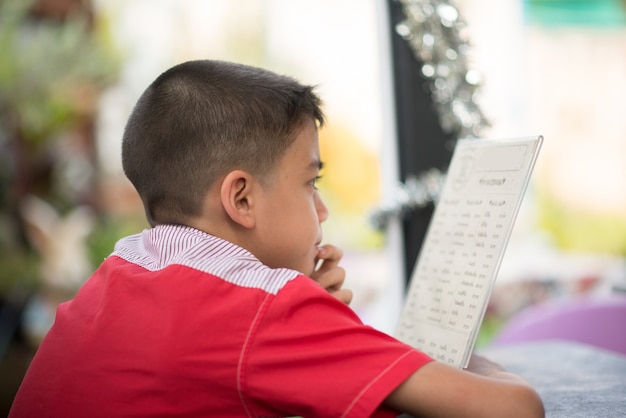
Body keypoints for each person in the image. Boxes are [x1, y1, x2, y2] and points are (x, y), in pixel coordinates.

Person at [9, 60, 544, 418]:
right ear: (240, 199)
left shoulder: (123, 269)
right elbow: (517, 407)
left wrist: (316, 326)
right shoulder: (263, 311)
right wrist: (451, 355)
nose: (323, 209)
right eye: (310, 183)